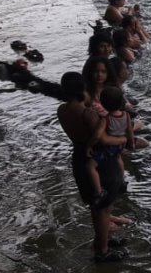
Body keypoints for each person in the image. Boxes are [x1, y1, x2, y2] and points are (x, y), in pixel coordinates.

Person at [57, 72, 129, 263]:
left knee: (95, 205)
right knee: (104, 208)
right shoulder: (88, 114)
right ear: (83, 90)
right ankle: (102, 251)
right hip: (101, 161)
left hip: (79, 159)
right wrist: (124, 139)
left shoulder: (62, 110)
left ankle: (102, 241)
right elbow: (103, 139)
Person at [86, 86, 133, 209]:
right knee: (118, 159)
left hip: (108, 147)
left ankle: (99, 192)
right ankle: (122, 181)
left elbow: (97, 135)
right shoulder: (126, 115)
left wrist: (89, 146)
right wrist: (131, 143)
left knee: (90, 166)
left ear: (103, 103)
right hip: (120, 146)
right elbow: (129, 130)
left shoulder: (105, 119)